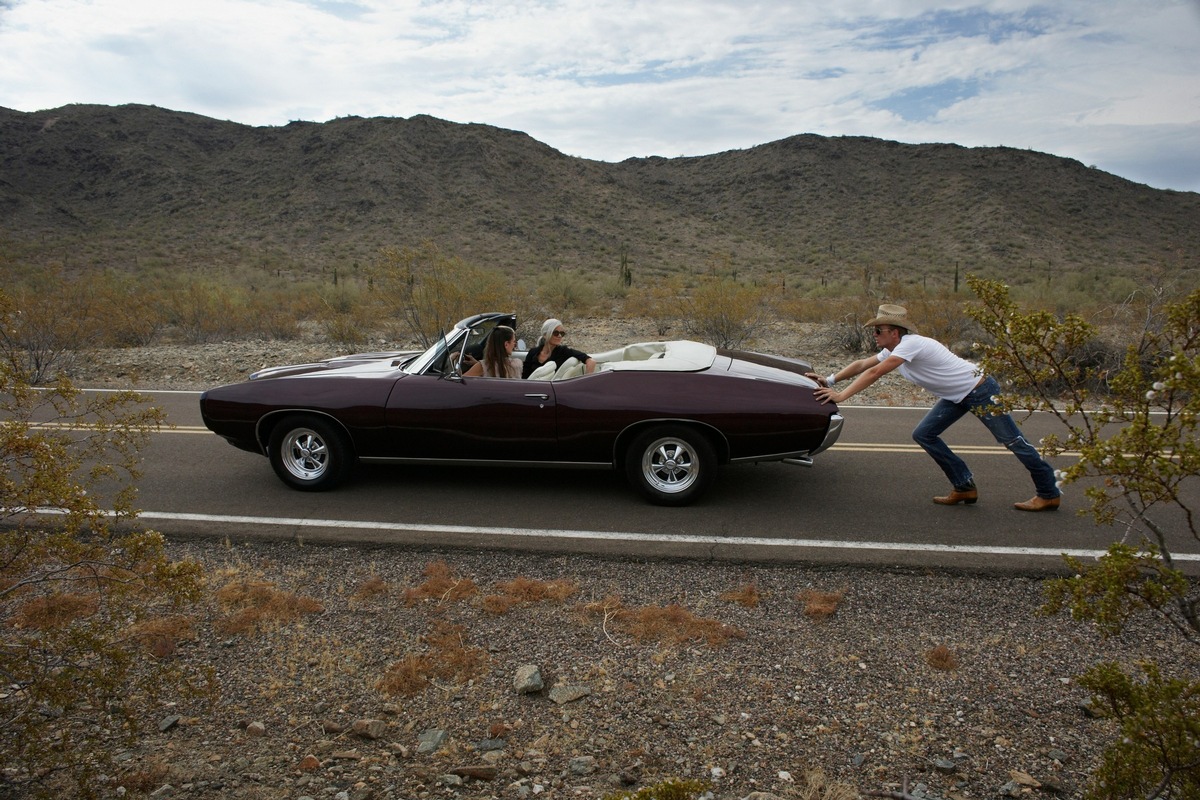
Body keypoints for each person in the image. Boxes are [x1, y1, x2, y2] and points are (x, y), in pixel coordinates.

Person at [811, 304, 1062, 512]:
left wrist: (841, 395)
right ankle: (964, 487)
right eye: (874, 331)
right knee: (924, 434)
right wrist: (830, 380)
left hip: (980, 390)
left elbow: (876, 372)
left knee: (1012, 440)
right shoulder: (894, 349)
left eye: (879, 330)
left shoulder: (912, 344)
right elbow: (862, 364)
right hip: (956, 396)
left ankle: (1048, 493)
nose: (874, 335)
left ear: (895, 332)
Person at [522, 318, 596, 379]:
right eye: (556, 333)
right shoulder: (533, 352)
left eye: (562, 333)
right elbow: (524, 377)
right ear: (545, 334)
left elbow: (591, 361)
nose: (559, 336)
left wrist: (586, 382)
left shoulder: (564, 351)